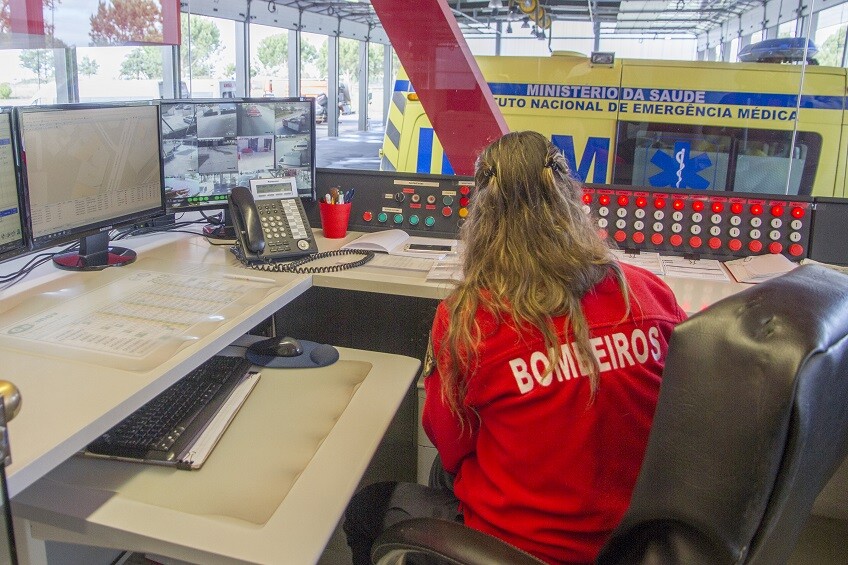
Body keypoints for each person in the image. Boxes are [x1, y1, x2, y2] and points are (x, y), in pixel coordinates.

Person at [343, 130, 687, 564]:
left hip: (519, 550)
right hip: (634, 544)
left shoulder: (470, 317)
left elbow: (451, 445)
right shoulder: (650, 293)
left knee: (371, 507)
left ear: (482, 218)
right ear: (571, 201)